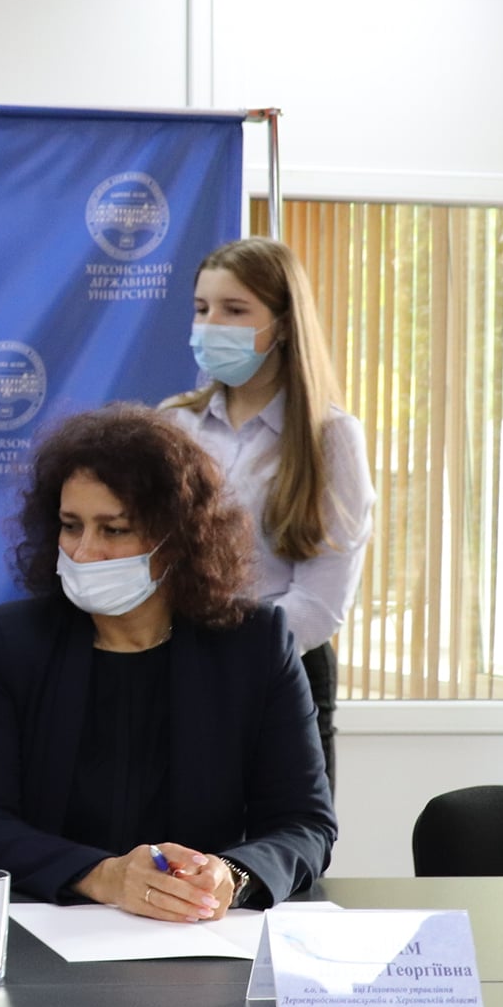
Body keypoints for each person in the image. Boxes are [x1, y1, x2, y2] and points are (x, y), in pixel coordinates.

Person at [0, 405, 335, 919]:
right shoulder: (10, 642)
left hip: (198, 931)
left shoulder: (255, 644)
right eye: (70, 526)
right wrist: (103, 877)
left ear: (176, 539)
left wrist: (232, 875)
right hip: (46, 928)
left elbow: (305, 824)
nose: (83, 552)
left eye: (114, 530)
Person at [162, 236, 374, 793]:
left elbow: (321, 602)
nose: (211, 325)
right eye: (202, 308)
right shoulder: (174, 424)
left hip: (284, 670)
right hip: (175, 667)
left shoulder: (330, 437)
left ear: (282, 324)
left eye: (234, 310)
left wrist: (227, 658)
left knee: (282, 837)